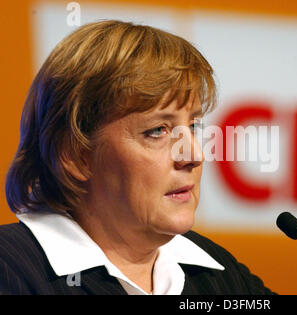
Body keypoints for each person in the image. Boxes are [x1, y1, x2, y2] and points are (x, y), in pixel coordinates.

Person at [0, 20, 274, 295]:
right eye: (157, 131)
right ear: (75, 155)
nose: (194, 155)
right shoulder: (11, 271)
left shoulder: (219, 276)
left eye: (193, 126)